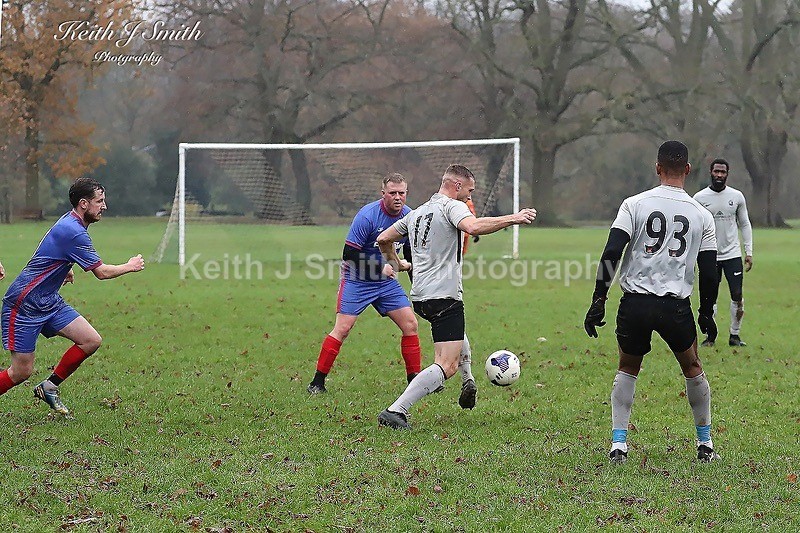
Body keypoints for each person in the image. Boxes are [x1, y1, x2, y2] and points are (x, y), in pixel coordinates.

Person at [583, 141, 721, 463]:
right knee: (693, 367)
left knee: (628, 368)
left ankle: (619, 444)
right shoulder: (702, 214)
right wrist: (706, 311)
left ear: (657, 167)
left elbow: (611, 253)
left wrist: (598, 299)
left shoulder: (633, 205)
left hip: (635, 304)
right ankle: (705, 444)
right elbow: (710, 271)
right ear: (687, 170)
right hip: (675, 308)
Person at [375, 164, 536, 429]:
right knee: (446, 365)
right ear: (457, 186)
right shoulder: (452, 207)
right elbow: (472, 227)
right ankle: (397, 410)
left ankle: (468, 379)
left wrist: (398, 263)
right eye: (469, 191)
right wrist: (513, 218)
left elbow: (384, 239)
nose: (470, 198)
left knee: (456, 335)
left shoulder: (417, 213)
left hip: (421, 298)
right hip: (444, 297)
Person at [1, 177, 145, 416]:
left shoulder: (70, 223)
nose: (104, 206)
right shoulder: (74, 231)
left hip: (48, 301)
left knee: (91, 340)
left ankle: (49, 386)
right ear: (83, 204)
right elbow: (102, 272)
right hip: (24, 305)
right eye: (99, 201)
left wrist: (62, 268)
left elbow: (48, 249)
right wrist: (130, 265)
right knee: (20, 372)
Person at [307, 173, 421, 394]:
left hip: (386, 284)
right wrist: (380, 268)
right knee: (343, 328)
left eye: (402, 193)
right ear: (383, 194)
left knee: (410, 325)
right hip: (356, 280)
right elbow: (348, 253)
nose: (397, 197)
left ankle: (414, 381)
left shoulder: (409, 217)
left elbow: (409, 252)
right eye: (392, 193)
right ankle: (317, 382)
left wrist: (416, 283)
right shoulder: (368, 216)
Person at [693, 159, 753, 347]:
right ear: (710, 172)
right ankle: (710, 335)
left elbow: (744, 223)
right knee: (710, 297)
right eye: (716, 171)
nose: (719, 175)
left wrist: (748, 251)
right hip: (709, 254)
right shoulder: (699, 198)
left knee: (737, 294)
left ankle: (734, 335)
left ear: (728, 173)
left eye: (723, 172)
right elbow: (694, 227)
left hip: (733, 255)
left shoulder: (736, 196)